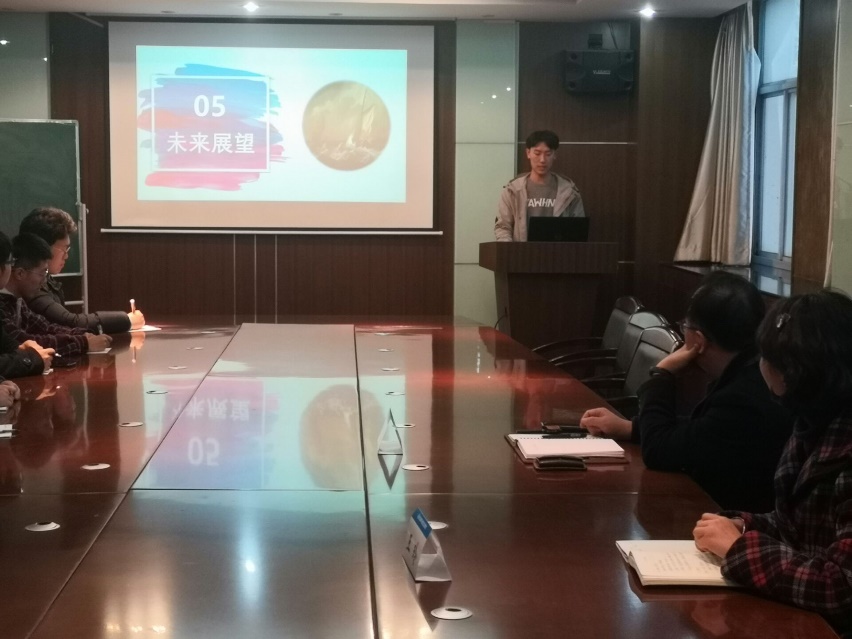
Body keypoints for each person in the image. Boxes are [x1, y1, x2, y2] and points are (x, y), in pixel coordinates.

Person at [693, 290, 852, 637]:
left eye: (766, 356)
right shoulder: (814, 420)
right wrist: (741, 525)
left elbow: (841, 588)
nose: (759, 365)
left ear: (798, 372)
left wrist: (739, 548)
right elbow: (796, 528)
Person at [580, 272, 793, 512]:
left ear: (698, 339)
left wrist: (661, 374)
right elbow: (703, 431)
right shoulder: (749, 372)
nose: (683, 332)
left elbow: (658, 451)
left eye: (685, 326)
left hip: (734, 520)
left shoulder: (742, 397)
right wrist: (632, 428)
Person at [19, 207, 144, 333]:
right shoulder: (30, 283)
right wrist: (127, 320)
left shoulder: (46, 279)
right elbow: (71, 322)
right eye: (63, 249)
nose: (66, 256)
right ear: (43, 247)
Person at [0, 233, 112, 358]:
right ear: (20, 274)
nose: (44, 281)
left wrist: (84, 334)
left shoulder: (17, 300)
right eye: (43, 273)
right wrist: (84, 342)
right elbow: (23, 342)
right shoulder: (3, 305)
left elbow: (45, 327)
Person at [494, 130, 584, 241]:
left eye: (548, 154)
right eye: (537, 153)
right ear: (528, 153)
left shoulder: (569, 191)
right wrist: (509, 249)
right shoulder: (513, 190)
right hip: (522, 251)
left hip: (558, 251)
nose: (542, 160)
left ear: (554, 155)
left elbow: (578, 230)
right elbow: (503, 226)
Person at [0, 231, 52, 378]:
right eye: (10, 262)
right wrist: (30, 359)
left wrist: (21, 347)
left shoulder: (18, 299)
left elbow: (6, 341)